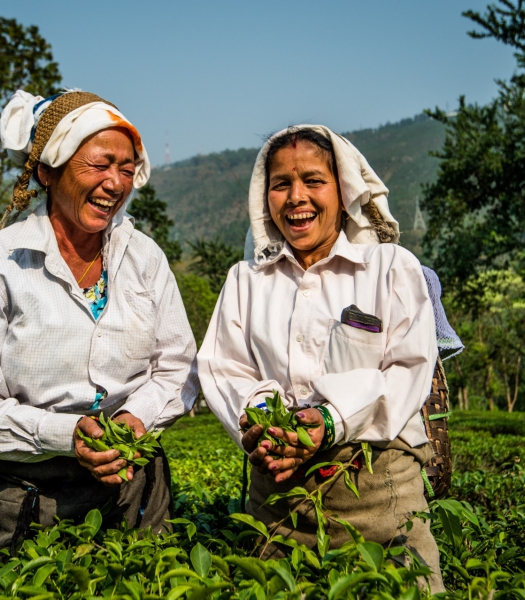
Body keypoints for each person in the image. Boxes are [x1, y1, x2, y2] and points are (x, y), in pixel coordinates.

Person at [0, 89, 198, 550]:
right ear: (47, 172)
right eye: (100, 165)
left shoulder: (143, 257)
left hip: (132, 486)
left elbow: (176, 365)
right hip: (25, 497)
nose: (116, 183)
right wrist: (67, 434)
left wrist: (134, 420)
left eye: (126, 169)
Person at [197, 125, 444, 591]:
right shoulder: (246, 280)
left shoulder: (391, 268)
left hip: (377, 490)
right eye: (280, 184)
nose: (296, 197)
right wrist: (265, 426)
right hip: (278, 492)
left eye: (313, 180)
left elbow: (408, 370)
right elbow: (223, 366)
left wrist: (329, 420)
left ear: (343, 190)